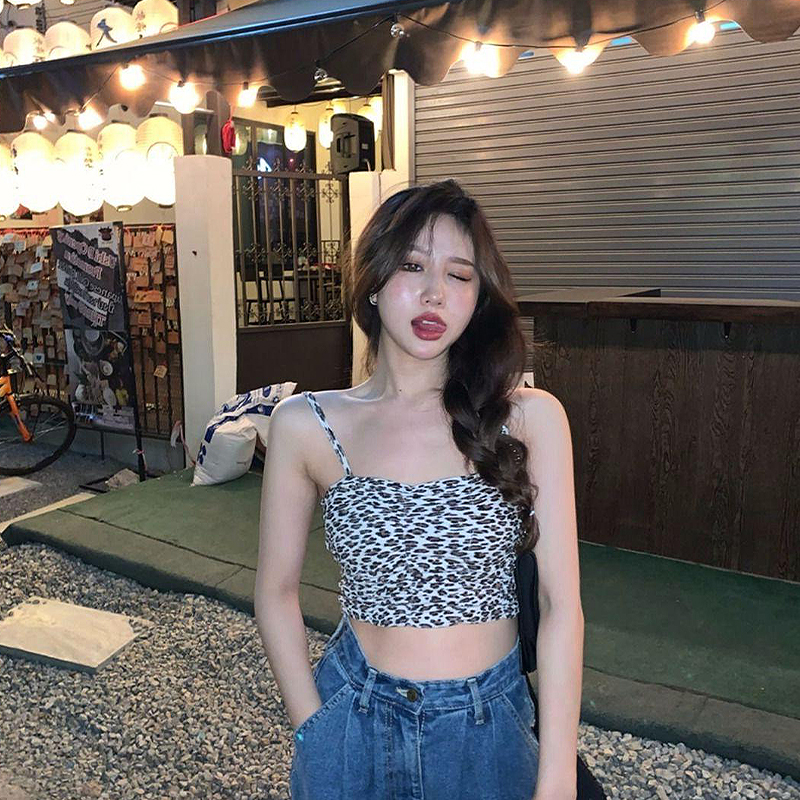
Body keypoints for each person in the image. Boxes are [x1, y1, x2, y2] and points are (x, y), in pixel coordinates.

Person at [255, 179, 583, 800]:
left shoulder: (528, 419)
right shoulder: (307, 424)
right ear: (373, 282)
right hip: (354, 717)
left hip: (489, 730)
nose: (435, 293)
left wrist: (558, 775)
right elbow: (275, 592)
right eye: (412, 266)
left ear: (478, 298)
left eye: (459, 275)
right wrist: (313, 730)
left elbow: (561, 604)